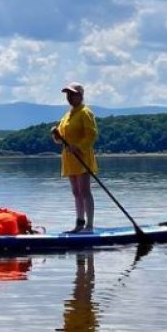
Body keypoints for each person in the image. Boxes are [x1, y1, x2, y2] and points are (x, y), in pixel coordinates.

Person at [52, 82, 98, 232]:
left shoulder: (85, 112)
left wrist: (78, 146)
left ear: (80, 95)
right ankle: (79, 223)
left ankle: (89, 225)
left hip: (82, 156)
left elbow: (92, 135)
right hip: (69, 158)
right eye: (68, 94)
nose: (69, 97)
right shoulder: (67, 115)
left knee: (85, 191)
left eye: (72, 94)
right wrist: (56, 134)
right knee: (76, 192)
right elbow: (60, 140)